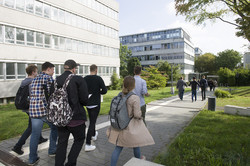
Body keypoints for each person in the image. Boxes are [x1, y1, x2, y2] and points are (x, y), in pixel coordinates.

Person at [106, 76, 155, 166]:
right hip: (130, 126)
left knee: (118, 148)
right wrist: (141, 116)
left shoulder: (120, 95)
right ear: (133, 85)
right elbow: (136, 114)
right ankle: (138, 162)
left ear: (124, 84)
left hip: (120, 125)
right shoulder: (134, 97)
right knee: (136, 144)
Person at [55, 60, 89, 166]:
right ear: (73, 69)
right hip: (75, 117)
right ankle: (70, 163)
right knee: (79, 139)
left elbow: (51, 98)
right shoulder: (78, 79)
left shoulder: (56, 80)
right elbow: (84, 100)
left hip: (60, 118)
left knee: (61, 142)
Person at [12, 65, 48, 155]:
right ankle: (18, 146)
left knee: (36, 123)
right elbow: (34, 95)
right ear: (33, 72)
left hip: (27, 106)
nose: (37, 73)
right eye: (36, 71)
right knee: (31, 127)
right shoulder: (32, 82)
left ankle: (40, 138)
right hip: (31, 107)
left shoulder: (25, 81)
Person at [28, 62, 57, 166]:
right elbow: (52, 95)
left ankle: (32, 159)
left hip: (33, 110)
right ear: (48, 69)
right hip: (44, 111)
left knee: (35, 135)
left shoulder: (34, 78)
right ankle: (52, 150)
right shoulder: (48, 79)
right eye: (53, 70)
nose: (53, 72)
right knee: (55, 128)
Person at [84, 64, 107, 151]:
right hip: (96, 103)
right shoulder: (98, 78)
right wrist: (98, 92)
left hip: (88, 103)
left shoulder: (85, 78)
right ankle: (87, 143)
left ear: (90, 70)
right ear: (96, 70)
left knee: (92, 120)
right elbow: (104, 90)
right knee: (92, 122)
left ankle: (93, 135)